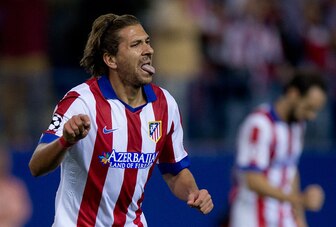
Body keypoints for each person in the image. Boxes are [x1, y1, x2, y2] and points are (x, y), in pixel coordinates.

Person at [28, 13, 213, 226]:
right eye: (136, 45)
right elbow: (36, 165)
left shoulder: (165, 105)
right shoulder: (81, 102)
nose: (148, 50)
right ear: (111, 59)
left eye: (147, 42)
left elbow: (174, 170)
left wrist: (194, 192)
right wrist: (65, 141)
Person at [228, 69, 326, 227]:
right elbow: (252, 180)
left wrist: (300, 218)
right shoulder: (259, 125)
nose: (311, 115)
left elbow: (291, 171)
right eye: (309, 107)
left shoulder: (298, 126)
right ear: (293, 94)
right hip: (252, 217)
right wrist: (299, 199)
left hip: (284, 217)